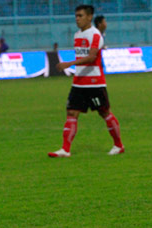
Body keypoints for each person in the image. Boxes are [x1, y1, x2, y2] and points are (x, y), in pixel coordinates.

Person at [48, 5, 124, 158]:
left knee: (104, 113)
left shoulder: (95, 35)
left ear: (89, 17)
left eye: (80, 16)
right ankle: (65, 149)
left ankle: (118, 145)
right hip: (79, 82)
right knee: (71, 113)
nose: (77, 19)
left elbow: (91, 57)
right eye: (76, 16)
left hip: (95, 83)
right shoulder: (77, 35)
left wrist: (68, 64)